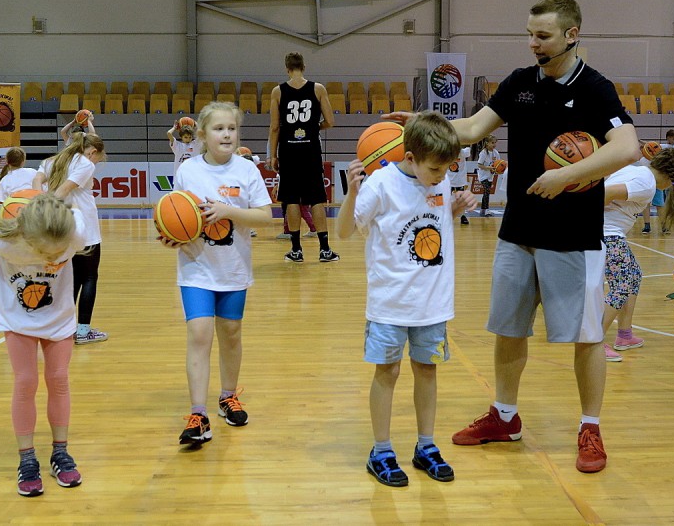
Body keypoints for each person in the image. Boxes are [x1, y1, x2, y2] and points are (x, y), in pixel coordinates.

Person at [385, 0, 640, 474]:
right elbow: (472, 128)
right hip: (517, 230)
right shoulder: (519, 84)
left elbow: (627, 147)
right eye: (529, 34)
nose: (532, 44)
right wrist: (423, 123)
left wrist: (566, 176)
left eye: (542, 36)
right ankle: (505, 416)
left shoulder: (596, 88)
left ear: (572, 34)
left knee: (586, 337)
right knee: (508, 330)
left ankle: (590, 427)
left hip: (573, 235)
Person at [336, 111, 477, 487]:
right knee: (388, 372)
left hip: (433, 303)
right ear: (410, 158)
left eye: (448, 169)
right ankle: (381, 450)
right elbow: (345, 232)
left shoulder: (440, 181)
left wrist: (454, 208)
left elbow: (431, 219)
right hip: (389, 304)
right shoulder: (380, 184)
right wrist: (351, 194)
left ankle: (425, 446)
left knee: (426, 370)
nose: (442, 177)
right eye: (435, 170)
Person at [159, 101, 272, 446]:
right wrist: (171, 235)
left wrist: (228, 210)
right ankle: (198, 414)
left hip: (234, 268)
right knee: (199, 334)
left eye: (232, 128)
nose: (226, 134)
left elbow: (266, 216)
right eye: (219, 128)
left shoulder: (247, 170)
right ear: (203, 135)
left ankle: (226, 397)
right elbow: (176, 214)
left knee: (232, 334)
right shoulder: (188, 171)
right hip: (196, 267)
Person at [0, 193, 87, 497]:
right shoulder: (3, 242)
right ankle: (27, 458)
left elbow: (75, 211)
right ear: (26, 237)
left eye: (59, 252)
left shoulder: (76, 231)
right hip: (17, 320)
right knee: (25, 382)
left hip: (59, 319)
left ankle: (60, 453)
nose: (52, 258)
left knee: (59, 380)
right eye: (42, 251)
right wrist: (4, 216)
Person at [601, 148, 674, 362]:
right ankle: (594, 342)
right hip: (606, 234)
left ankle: (624, 335)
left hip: (610, 233)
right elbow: (605, 194)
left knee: (634, 274)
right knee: (622, 285)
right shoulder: (646, 184)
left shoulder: (637, 171)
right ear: (671, 175)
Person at [33, 133, 109, 344]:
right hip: (84, 229)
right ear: (92, 152)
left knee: (71, 280)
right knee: (89, 278)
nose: (96, 162)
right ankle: (83, 331)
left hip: (62, 230)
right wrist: (47, 209)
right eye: (97, 157)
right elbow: (63, 191)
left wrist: (40, 198)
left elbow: (37, 179)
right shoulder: (85, 164)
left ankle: (64, 327)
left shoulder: (54, 160)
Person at [268, 51, 339, 263]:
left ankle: (296, 250)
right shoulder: (318, 89)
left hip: (288, 150)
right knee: (316, 198)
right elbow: (330, 121)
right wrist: (314, 127)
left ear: (287, 68)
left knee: (291, 199)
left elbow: (274, 127)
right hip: (310, 149)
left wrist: (272, 155)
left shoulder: (277, 92)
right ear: (304, 67)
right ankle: (325, 250)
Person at [476, 136, 501, 217]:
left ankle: (483, 210)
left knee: (487, 193)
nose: (494, 144)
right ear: (487, 143)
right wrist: (488, 168)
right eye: (492, 143)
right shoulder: (483, 153)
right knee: (486, 191)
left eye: (495, 143)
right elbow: (479, 165)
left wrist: (497, 170)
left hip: (490, 175)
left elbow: (498, 164)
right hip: (483, 176)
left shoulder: (496, 153)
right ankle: (486, 210)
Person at [448, 145, 471, 224]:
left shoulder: (462, 152)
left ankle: (462, 216)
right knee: (448, 200)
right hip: (448, 181)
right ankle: (448, 216)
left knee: (461, 200)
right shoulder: (446, 151)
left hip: (460, 181)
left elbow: (468, 147)